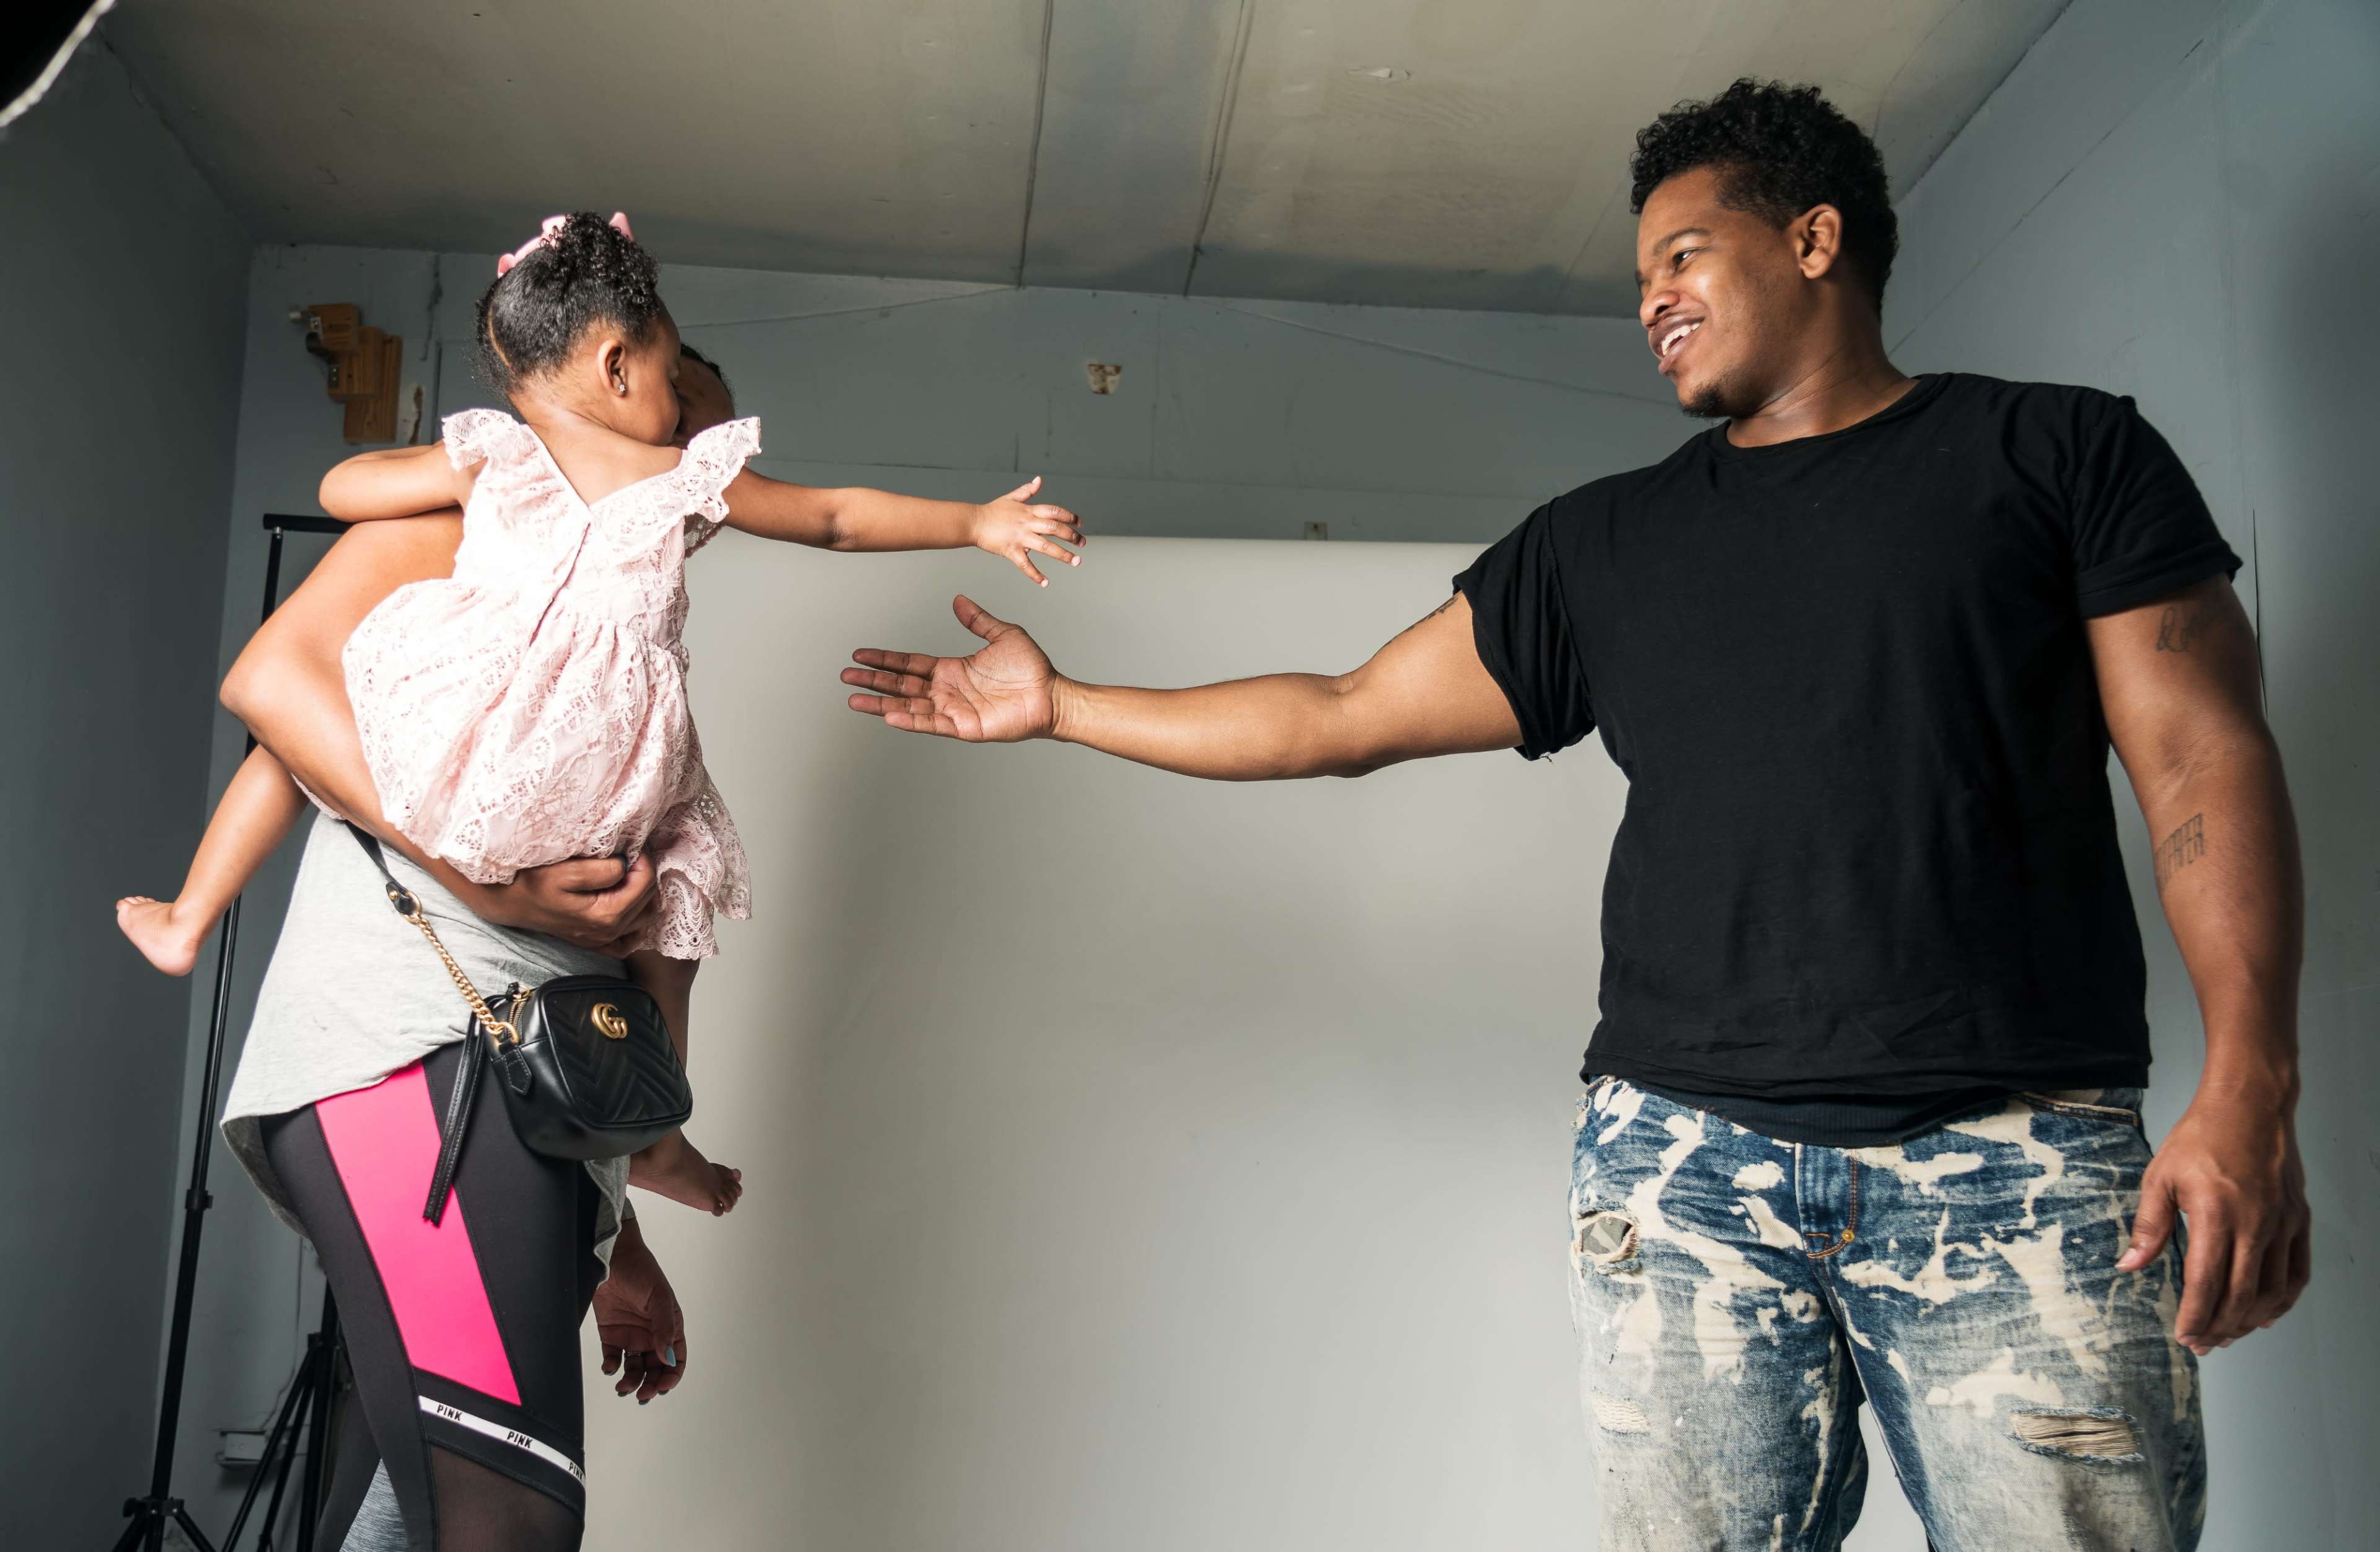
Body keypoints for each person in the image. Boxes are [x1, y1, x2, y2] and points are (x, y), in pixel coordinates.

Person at [841, 80, 2309, 1551]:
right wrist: (1067, 704)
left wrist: (2250, 1083)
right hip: (1684, 1174)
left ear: (1814, 238)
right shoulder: (1602, 543)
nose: (1654, 298)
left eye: (1683, 253)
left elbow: (2202, 766)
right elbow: (1343, 715)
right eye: (1639, 277)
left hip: (2014, 1161)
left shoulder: (2061, 459)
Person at [137, 209, 1086, 1219]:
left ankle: (192, 916)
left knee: (360, 747)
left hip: (513, 775)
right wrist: (975, 522)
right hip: (575, 788)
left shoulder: (506, 456)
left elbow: (342, 485)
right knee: (675, 891)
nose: (696, 432)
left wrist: (474, 454)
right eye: (681, 393)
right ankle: (655, 1128)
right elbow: (835, 517)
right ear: (619, 367)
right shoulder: (655, 472)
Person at [214, 338, 781, 1551]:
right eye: (678, 438)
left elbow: (582, 998)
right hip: (416, 1059)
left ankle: (654, 1141)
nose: (697, 486)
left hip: (523, 1114)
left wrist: (620, 1229)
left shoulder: (629, 670)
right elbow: (274, 675)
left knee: (393, 1522)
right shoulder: (480, 542)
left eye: (715, 470)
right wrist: (500, 885)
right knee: (509, 1523)